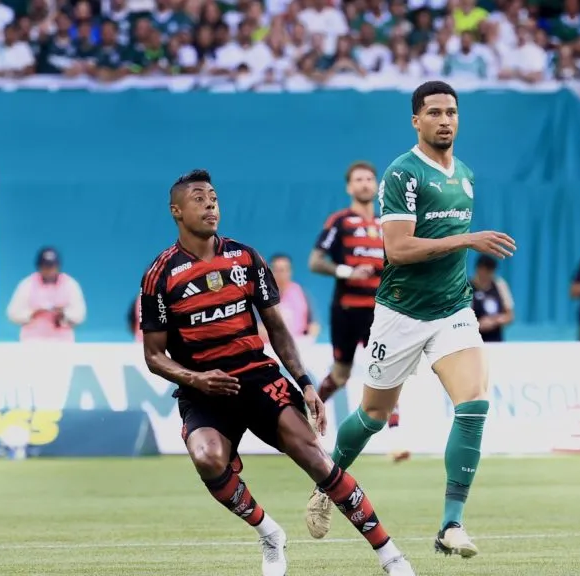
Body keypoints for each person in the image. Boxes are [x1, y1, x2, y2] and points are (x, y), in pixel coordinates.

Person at [139, 169, 415, 576]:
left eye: (213, 197)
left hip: (257, 377)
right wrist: (196, 380)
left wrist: (305, 383)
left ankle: (391, 557)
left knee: (317, 461)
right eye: (199, 198)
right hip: (203, 389)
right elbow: (154, 356)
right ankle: (269, 533)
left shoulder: (245, 258)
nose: (210, 204)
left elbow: (279, 329)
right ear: (176, 211)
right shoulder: (160, 275)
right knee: (206, 457)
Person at [305, 80, 516, 558]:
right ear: (416, 120)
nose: (445, 120)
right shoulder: (402, 174)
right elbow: (397, 249)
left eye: (452, 112)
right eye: (435, 112)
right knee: (374, 416)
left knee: (474, 405)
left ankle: (450, 524)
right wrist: (465, 241)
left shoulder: (464, 173)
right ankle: (325, 483)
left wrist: (463, 249)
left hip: (453, 311)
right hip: (400, 312)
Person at [308, 161, 384, 400]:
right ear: (349, 188)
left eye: (369, 179)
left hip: (381, 310)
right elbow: (315, 261)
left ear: (377, 185)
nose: (365, 184)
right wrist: (347, 272)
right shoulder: (340, 221)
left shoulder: (387, 224)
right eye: (359, 180)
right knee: (341, 374)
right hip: (347, 310)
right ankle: (312, 413)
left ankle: (393, 427)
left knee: (386, 370)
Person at [6, 247, 87, 342]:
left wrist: (64, 314)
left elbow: (80, 315)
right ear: (38, 267)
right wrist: (33, 313)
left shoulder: (70, 284)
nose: (49, 270)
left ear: (58, 266)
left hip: (62, 342)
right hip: (32, 341)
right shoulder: (27, 284)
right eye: (45, 266)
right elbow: (12, 313)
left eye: (52, 266)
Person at [257, 254, 319, 344]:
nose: (280, 274)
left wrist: (310, 336)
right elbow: (256, 327)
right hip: (270, 347)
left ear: (290, 271)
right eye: (276, 270)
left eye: (283, 270)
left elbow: (313, 325)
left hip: (299, 345)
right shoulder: (260, 295)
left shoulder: (301, 293)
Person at [470, 254, 515, 342]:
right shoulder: (467, 288)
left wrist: (494, 321)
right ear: (478, 269)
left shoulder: (499, 284)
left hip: (496, 341)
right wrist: (478, 324)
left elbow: (510, 316)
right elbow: (461, 320)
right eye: (485, 271)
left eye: (490, 271)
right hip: (474, 341)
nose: (487, 275)